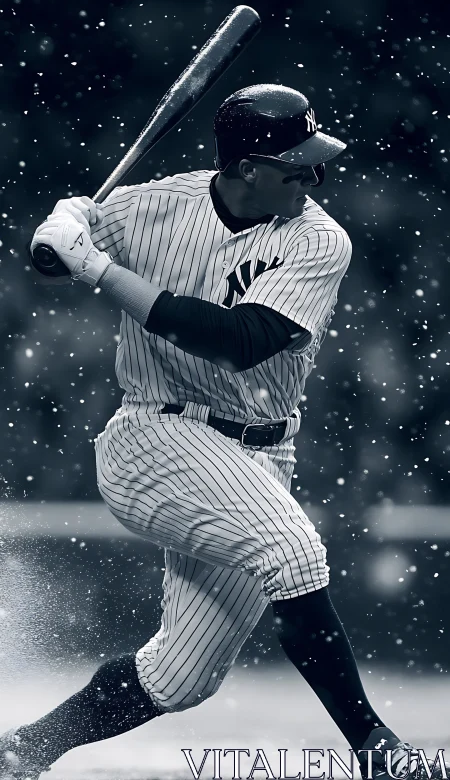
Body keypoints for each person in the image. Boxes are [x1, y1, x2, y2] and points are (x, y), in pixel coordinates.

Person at [1, 85, 443, 780]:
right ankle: (377, 749)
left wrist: (96, 266)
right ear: (245, 170)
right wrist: (60, 228)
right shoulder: (151, 205)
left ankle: (22, 749)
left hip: (262, 453)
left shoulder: (320, 239)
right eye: (296, 166)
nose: (314, 178)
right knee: (294, 554)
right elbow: (49, 261)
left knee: (181, 676)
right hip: (153, 435)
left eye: (315, 162)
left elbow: (238, 341)